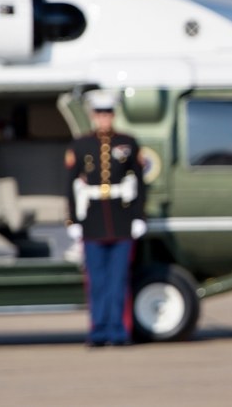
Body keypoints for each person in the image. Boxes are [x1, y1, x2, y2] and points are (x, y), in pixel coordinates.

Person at [65, 89, 148, 347]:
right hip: (92, 222)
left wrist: (138, 216)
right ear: (92, 115)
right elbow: (69, 184)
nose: (104, 118)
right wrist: (73, 221)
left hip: (121, 220)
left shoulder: (128, 142)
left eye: (108, 113)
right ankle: (98, 330)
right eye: (100, 113)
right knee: (97, 282)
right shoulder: (81, 145)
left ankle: (118, 330)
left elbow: (140, 183)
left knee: (119, 280)